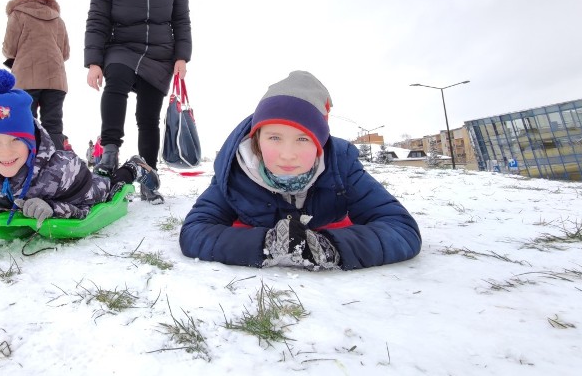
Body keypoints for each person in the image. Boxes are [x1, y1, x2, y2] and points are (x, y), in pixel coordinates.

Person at [179, 71, 422, 270]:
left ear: (320, 143)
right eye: (274, 137)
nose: (287, 153)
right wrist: (266, 244)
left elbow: (401, 229)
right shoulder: (235, 171)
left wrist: (331, 246)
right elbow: (195, 232)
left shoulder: (342, 166)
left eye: (303, 139)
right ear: (257, 140)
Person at [84, 0, 192, 204]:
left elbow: (181, 20)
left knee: (148, 117)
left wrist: (182, 56)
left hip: (160, 55)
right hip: (122, 46)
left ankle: (148, 174)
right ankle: (109, 151)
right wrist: (94, 61)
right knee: (115, 78)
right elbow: (97, 20)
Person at [0, 68, 161, 224]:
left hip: (80, 188)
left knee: (107, 186)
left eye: (17, 139)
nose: (6, 151)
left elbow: (88, 208)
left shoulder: (59, 171)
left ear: (32, 141)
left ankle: (132, 168)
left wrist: (53, 208)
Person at [2, 0, 70, 151]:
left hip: (26, 77)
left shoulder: (17, 14)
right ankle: (56, 164)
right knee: (53, 124)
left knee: (26, 122)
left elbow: (9, 49)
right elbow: (65, 53)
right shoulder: (57, 19)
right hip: (56, 79)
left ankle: (29, 164)